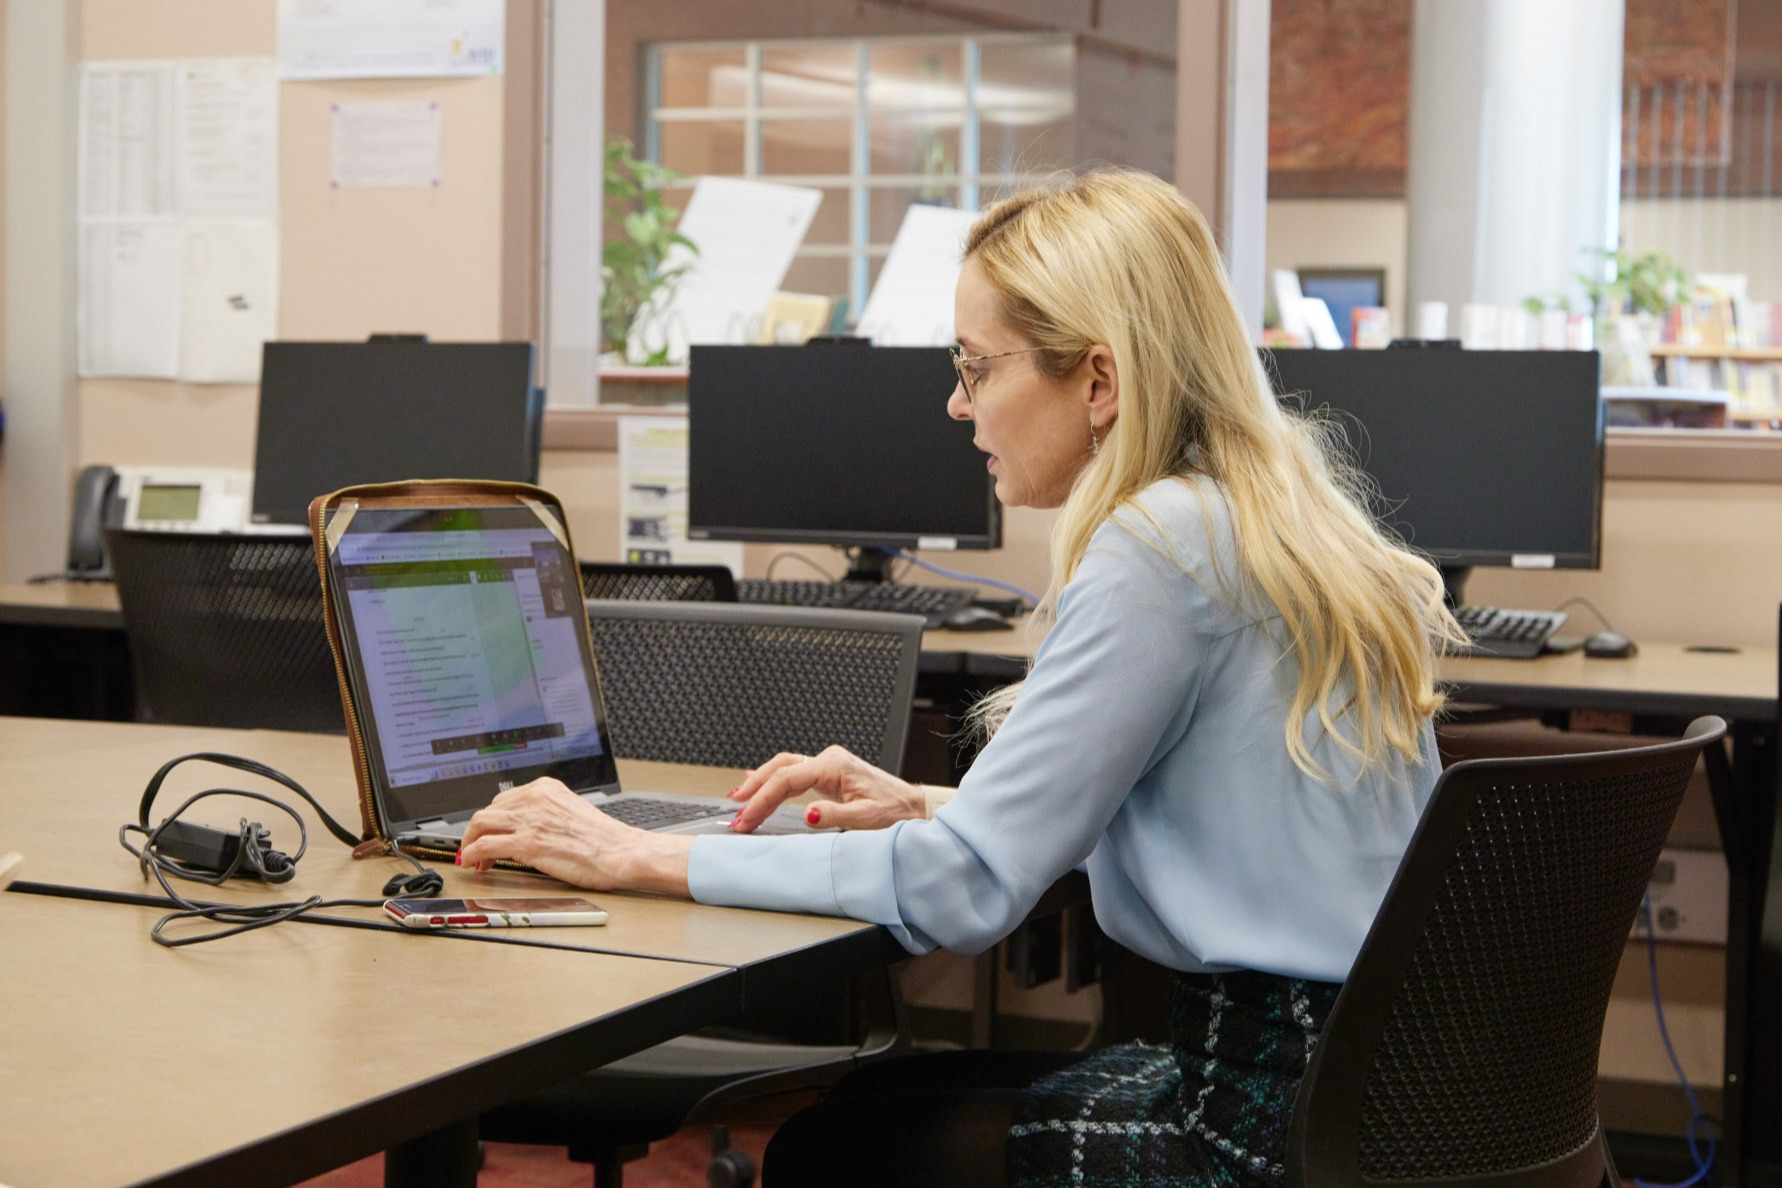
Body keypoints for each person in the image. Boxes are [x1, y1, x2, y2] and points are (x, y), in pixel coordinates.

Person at [459, 167, 1465, 1187]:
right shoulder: (1277, 524)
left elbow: (967, 892)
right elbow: (1215, 814)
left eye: (977, 366)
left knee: (839, 1146)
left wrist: (635, 857)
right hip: (1386, 1086)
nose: (956, 401)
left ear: (1099, 381)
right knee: (877, 1107)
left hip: (1264, 1119)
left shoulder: (1160, 546)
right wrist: (937, 806)